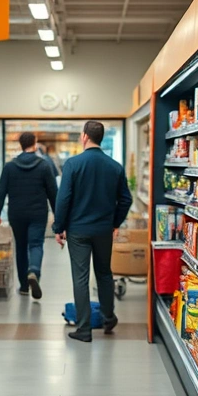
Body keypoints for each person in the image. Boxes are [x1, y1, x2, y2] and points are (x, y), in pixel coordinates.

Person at [53, 121, 132, 342]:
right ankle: (108, 318)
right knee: (104, 273)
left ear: (85, 137)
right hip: (103, 229)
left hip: (78, 230)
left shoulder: (73, 164)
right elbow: (126, 199)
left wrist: (59, 228)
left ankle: (84, 329)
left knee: (80, 277)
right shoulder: (114, 166)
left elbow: (63, 199)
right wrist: (115, 222)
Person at [0, 132, 58, 299]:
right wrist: (59, 215)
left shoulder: (10, 166)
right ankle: (34, 271)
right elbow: (53, 193)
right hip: (38, 213)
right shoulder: (44, 166)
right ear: (35, 144)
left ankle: (24, 286)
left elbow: (1, 191)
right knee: (36, 244)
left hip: (16, 213)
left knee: (21, 248)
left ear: (20, 145)